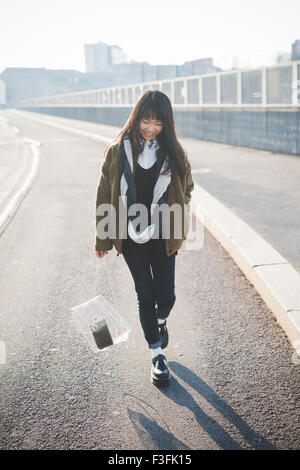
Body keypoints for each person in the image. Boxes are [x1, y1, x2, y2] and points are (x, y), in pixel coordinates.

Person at [95, 90, 194, 387]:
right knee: (145, 296)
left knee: (166, 296)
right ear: (137, 117)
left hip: (163, 235)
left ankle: (161, 321)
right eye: (146, 120)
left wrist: (178, 210)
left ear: (166, 124)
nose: (151, 127)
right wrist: (102, 239)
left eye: (158, 123)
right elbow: (103, 193)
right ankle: (156, 355)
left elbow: (187, 187)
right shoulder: (117, 151)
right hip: (129, 236)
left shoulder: (174, 153)